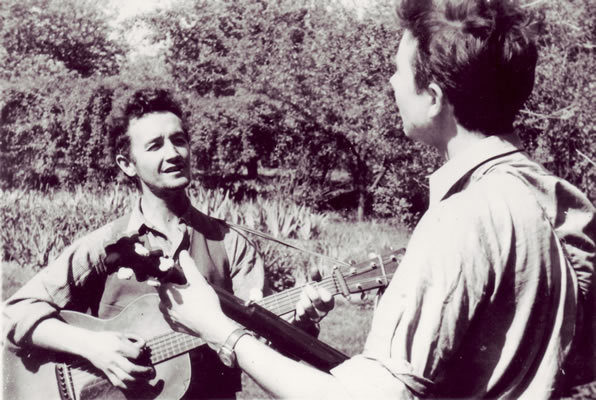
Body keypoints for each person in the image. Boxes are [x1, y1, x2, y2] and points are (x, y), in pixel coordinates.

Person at [156, 0, 596, 398]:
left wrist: (220, 330)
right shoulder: (560, 200)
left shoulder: (461, 219)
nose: (390, 81)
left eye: (399, 70)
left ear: (434, 98)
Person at [2, 87, 321, 399]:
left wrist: (301, 322)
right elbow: (14, 312)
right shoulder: (104, 246)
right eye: (155, 146)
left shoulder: (229, 245)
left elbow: (265, 351)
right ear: (128, 164)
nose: (173, 154)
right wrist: (93, 347)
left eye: (179, 140)